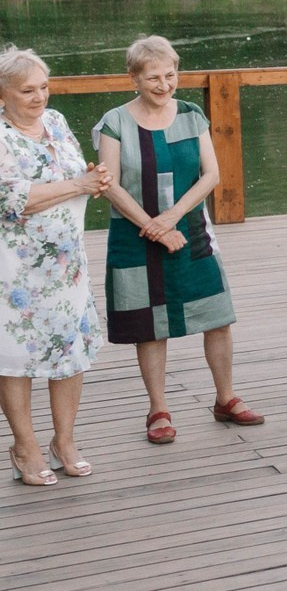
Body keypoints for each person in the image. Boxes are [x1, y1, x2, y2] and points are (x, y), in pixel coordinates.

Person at [93, 36, 260, 442]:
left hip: (190, 227)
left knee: (217, 316)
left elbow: (211, 175)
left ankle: (226, 398)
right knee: (149, 325)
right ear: (133, 78)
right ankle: (158, 409)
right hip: (134, 235)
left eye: (171, 75)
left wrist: (170, 218)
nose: (164, 84)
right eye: (153, 77)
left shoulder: (192, 114)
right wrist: (152, 226)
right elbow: (108, 183)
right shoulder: (114, 121)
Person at [0, 46, 104, 485]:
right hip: (15, 270)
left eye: (43, 86)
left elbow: (73, 173)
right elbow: (11, 199)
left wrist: (93, 179)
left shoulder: (57, 121)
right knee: (16, 355)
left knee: (69, 349)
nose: (39, 96)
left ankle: (64, 441)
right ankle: (25, 446)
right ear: (3, 93)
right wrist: (76, 184)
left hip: (67, 265)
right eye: (27, 90)